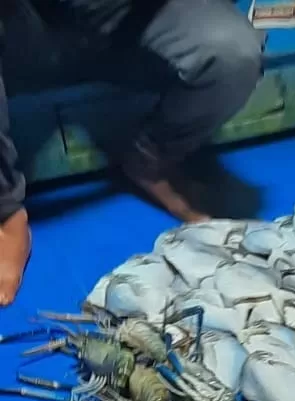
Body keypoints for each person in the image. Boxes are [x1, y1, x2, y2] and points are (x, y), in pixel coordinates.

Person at [0, 0, 266, 305]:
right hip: (29, 22)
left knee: (235, 55)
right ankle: (7, 215)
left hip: (129, 18)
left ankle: (149, 161)